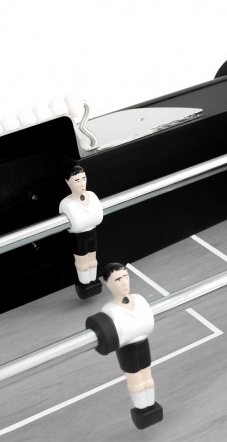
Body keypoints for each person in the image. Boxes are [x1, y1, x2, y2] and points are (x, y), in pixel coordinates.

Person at [86, 262, 163, 429]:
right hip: (127, 350)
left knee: (148, 380)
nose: (124, 282)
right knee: (137, 383)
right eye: (118, 279)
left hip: (143, 343)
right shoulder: (109, 310)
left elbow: (146, 323)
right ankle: (142, 409)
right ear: (107, 284)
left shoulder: (139, 299)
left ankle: (151, 405)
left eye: (125, 277)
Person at [59, 165, 103, 299]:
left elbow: (98, 217)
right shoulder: (66, 204)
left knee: (93, 260)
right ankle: (84, 282)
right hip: (78, 238)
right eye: (77, 180)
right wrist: (86, 220)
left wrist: (86, 220)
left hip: (92, 232)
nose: (82, 183)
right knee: (82, 263)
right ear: (68, 182)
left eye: (84, 178)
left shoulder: (92, 196)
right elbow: (77, 224)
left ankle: (93, 280)